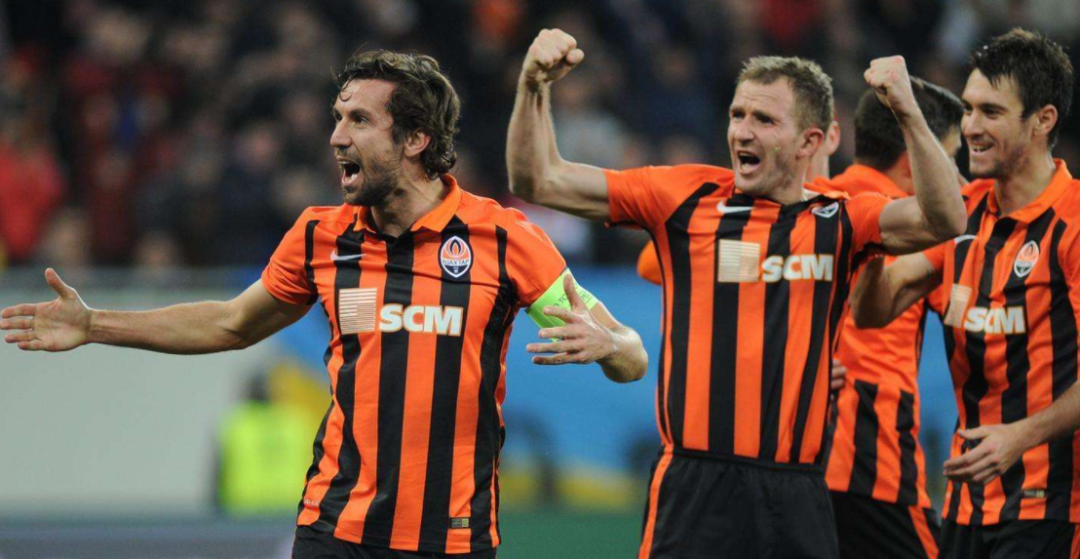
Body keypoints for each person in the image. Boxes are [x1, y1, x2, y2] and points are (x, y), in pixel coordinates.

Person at [1, 50, 649, 559]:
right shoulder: (321, 235)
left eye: (359, 120)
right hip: (335, 531)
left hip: (452, 538)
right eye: (337, 117)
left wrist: (609, 345)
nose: (337, 136)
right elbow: (231, 322)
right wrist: (95, 324)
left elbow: (633, 356)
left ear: (416, 139)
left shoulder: (504, 239)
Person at [507, 28, 966, 559]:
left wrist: (908, 112)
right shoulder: (685, 196)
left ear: (810, 142)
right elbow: (539, 179)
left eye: (764, 120)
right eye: (737, 114)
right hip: (694, 485)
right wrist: (532, 84)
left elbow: (946, 219)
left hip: (798, 490)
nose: (742, 131)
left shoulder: (841, 219)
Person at [850, 28, 1080, 558]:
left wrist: (1021, 436)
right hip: (967, 502)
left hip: (1052, 507)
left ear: (1043, 120)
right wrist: (871, 241)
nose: (971, 127)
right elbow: (873, 310)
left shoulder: (1072, 224)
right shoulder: (962, 215)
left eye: (991, 112)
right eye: (969, 109)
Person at [822, 80, 963, 559]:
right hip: (873, 457)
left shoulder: (810, 201)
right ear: (913, 161)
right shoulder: (928, 231)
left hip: (795, 456)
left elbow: (652, 264)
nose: (957, 178)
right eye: (949, 159)